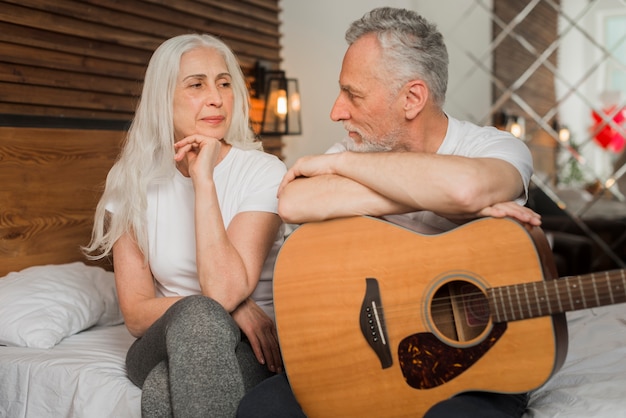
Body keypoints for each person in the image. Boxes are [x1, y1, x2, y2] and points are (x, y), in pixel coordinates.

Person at [237, 7, 541, 418]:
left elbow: (467, 186)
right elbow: (294, 201)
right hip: (364, 357)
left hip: (475, 361)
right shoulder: (354, 150)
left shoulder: (497, 149)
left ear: (413, 98)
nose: (336, 112)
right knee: (260, 410)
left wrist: (343, 169)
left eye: (353, 94)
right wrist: (441, 199)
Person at [84, 33, 286, 417]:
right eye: (196, 85)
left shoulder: (263, 172)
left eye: (224, 83)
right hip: (159, 340)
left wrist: (203, 180)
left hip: (254, 348)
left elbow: (224, 287)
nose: (216, 97)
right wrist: (229, 308)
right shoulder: (131, 181)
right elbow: (137, 314)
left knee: (162, 391)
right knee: (200, 315)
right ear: (163, 97)